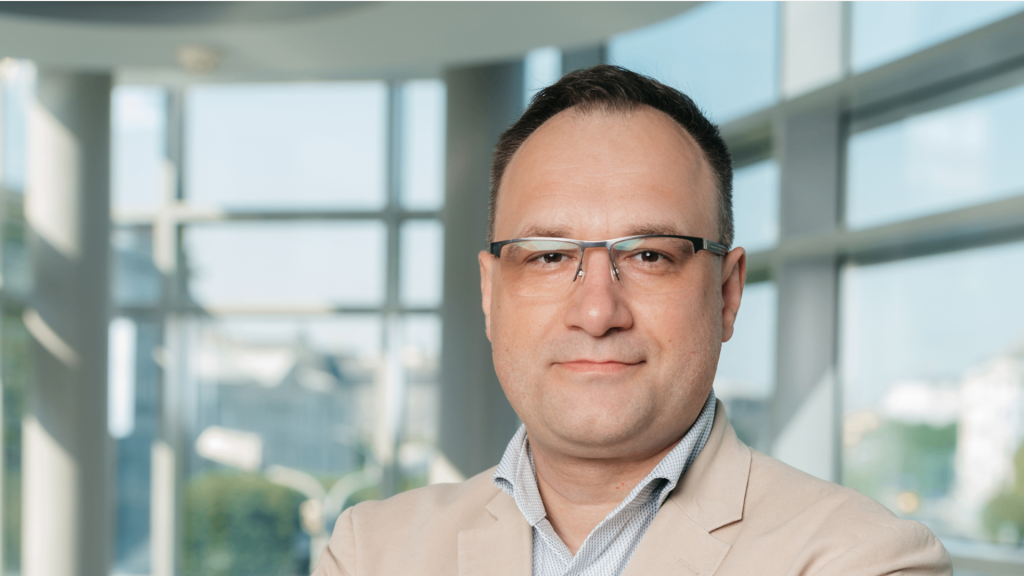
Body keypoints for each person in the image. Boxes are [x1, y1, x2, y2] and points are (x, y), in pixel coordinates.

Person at [313, 65, 951, 576]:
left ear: (727, 294)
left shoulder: (863, 559)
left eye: (649, 255)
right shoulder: (372, 552)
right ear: (490, 293)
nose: (597, 313)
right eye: (548, 256)